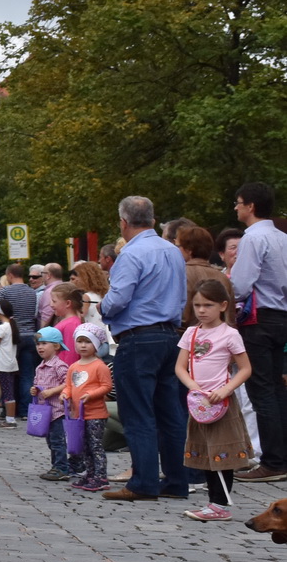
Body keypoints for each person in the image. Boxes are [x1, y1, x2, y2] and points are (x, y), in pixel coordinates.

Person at [100, 195, 191, 501]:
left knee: (137, 411)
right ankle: (178, 480)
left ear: (123, 223)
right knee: (170, 412)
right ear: (152, 220)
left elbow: (119, 298)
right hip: (170, 335)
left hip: (138, 337)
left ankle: (143, 482)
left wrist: (104, 306)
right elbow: (181, 295)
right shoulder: (173, 252)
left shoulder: (131, 254)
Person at [176, 278, 253, 521]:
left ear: (222, 305)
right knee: (207, 452)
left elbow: (245, 369)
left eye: (207, 305)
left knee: (221, 452)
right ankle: (213, 503)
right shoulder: (191, 333)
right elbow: (180, 367)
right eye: (197, 305)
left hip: (221, 404)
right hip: (199, 403)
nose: (201, 310)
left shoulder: (230, 335)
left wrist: (226, 389)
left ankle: (220, 505)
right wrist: (193, 387)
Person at [229, 182, 287, 483]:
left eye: (238, 203)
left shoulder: (253, 238)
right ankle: (281, 457)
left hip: (258, 319)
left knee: (262, 390)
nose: (236, 207)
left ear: (251, 206)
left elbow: (239, 284)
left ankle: (273, 461)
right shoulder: (282, 236)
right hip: (281, 316)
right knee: (277, 390)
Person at [64, 323, 113, 493]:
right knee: (84, 446)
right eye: (80, 341)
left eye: (87, 342)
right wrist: (66, 394)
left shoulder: (100, 366)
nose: (83, 345)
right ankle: (90, 474)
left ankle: (101, 476)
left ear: (96, 345)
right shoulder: (74, 367)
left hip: (95, 414)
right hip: (78, 415)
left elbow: (107, 386)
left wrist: (91, 395)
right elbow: (69, 386)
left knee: (95, 445)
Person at [0, 263, 40, 414]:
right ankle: (25, 409)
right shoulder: (32, 292)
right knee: (27, 374)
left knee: (9, 374)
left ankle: (8, 409)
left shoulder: (5, 291)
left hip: (12, 336)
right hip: (30, 335)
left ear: (9, 275)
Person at [31, 328, 71, 480]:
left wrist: (53, 391)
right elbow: (38, 383)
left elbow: (68, 382)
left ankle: (62, 468)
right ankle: (56, 466)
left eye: (44, 343)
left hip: (58, 411)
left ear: (56, 346)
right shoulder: (40, 367)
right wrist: (35, 390)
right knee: (51, 441)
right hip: (45, 412)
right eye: (38, 344)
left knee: (57, 441)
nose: (40, 347)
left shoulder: (59, 366)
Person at [0, 298, 19, 427]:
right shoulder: (12, 325)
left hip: (2, 363)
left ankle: (10, 419)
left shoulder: (1, 328)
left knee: (7, 392)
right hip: (12, 363)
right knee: (10, 390)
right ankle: (10, 418)